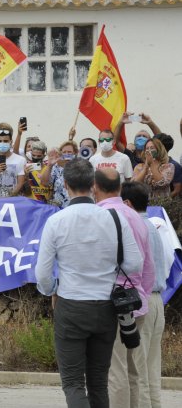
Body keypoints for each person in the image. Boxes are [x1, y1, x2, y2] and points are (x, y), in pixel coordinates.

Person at [35, 158, 143, 408]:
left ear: (65, 184)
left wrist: (52, 289)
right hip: (106, 306)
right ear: (93, 185)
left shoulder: (56, 221)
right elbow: (134, 265)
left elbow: (42, 274)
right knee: (98, 382)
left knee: (73, 383)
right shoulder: (115, 219)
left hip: (71, 304)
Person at [94, 168, 155, 408]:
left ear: (95, 188)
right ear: (120, 188)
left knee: (114, 371)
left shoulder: (99, 215)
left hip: (111, 303)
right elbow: (148, 265)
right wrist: (142, 296)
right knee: (132, 372)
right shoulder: (136, 217)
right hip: (135, 300)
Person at [121, 181, 167, 408]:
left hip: (143, 300)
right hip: (157, 299)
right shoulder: (152, 226)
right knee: (151, 369)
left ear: (127, 203)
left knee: (137, 371)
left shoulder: (135, 227)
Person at [41, 141, 78, 208]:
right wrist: (49, 165)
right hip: (57, 207)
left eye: (69, 152)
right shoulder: (56, 167)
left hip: (75, 206)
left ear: (75, 153)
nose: (67, 154)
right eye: (64, 152)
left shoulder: (81, 166)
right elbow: (44, 183)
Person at [152, 133, 182, 198]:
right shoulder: (150, 163)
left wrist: (162, 201)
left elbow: (177, 190)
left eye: (153, 146)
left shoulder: (174, 166)